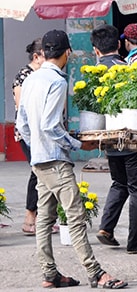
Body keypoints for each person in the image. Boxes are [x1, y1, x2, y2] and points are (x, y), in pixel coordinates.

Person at [16, 29, 127, 289]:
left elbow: (23, 124)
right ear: (67, 52)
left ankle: (49, 274)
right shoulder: (57, 81)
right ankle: (96, 273)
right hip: (55, 160)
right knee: (75, 216)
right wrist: (79, 145)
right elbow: (51, 126)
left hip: (40, 159)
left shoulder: (31, 79)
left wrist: (38, 148)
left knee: (45, 217)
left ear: (44, 53)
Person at [92, 24, 137, 254]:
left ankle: (106, 228)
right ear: (118, 45)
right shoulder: (127, 67)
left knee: (119, 183)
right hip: (130, 139)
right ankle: (136, 243)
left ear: (95, 50)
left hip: (109, 140)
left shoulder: (95, 71)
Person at [11, 38, 59, 236]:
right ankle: (30, 216)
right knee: (37, 171)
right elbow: (22, 107)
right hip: (28, 132)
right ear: (36, 56)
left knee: (40, 171)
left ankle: (40, 217)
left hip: (43, 131)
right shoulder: (24, 76)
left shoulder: (43, 75)